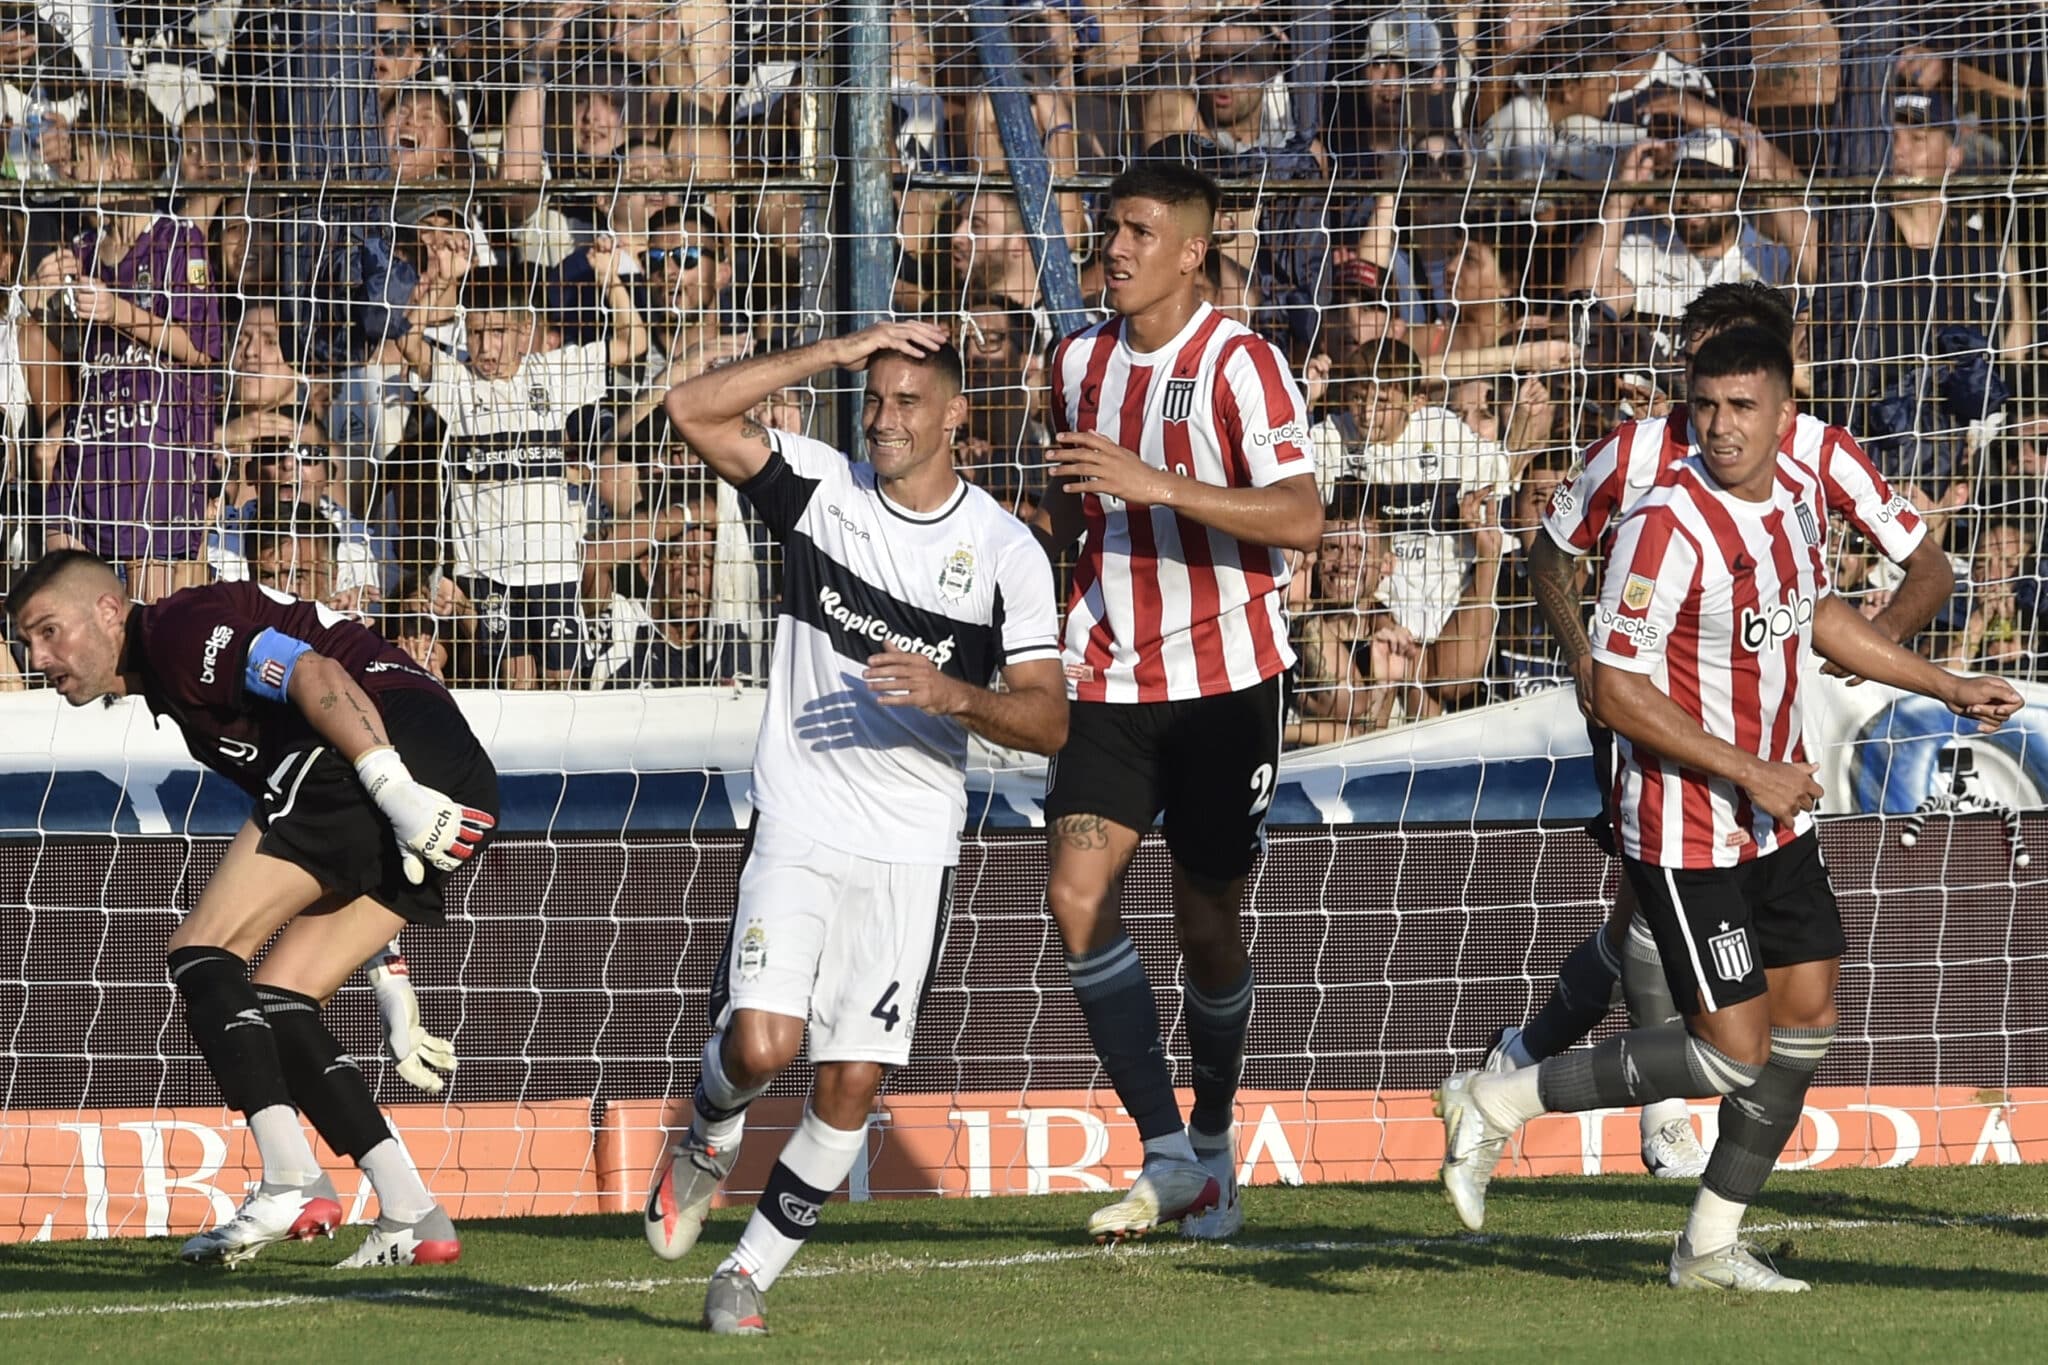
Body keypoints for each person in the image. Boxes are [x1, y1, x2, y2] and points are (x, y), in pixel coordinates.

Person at [1437, 328, 2023, 1292]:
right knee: (1731, 1055)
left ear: (1784, 414)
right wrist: (1751, 768)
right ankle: (1496, 1099)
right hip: (1687, 821)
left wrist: (1946, 685)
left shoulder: (1793, 497)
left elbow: (1818, 615)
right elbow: (1616, 689)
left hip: (1775, 811)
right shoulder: (1662, 525)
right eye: (1706, 406)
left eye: (1742, 407)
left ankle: (1708, 1244)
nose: (1720, 427)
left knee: (1808, 1024)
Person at [646, 321, 1067, 1335]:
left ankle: (745, 1275)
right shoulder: (818, 489)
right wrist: (836, 351)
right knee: (760, 1044)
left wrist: (951, 695)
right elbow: (690, 410)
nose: (882, 418)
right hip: (797, 815)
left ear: (957, 416)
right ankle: (707, 1130)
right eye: (872, 399)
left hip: (910, 848)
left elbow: (1049, 720)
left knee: (852, 1078)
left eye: (907, 401)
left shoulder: (1006, 552)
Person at [1488, 280, 1956, 1179]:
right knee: (1660, 906)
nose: (1714, 408)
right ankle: (1654, 1111)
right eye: (1700, 376)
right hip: (1651, 715)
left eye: (1738, 381)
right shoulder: (1635, 455)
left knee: (1661, 926)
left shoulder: (1822, 455)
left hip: (1768, 729)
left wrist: (1874, 651)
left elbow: (1925, 569)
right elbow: (1549, 555)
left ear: (1780, 385)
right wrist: (1589, 664)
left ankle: (1523, 1060)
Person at [3, 548, 498, 1267]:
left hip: (384, 741)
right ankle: (413, 1212)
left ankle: (292, 1178)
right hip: (446, 767)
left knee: (202, 951)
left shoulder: (177, 631)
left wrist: (396, 790)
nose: (38, 657)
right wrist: (389, 979)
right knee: (284, 998)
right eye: (25, 643)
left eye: (49, 631)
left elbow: (314, 673)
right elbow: (329, 851)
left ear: (108, 610)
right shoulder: (177, 687)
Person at [1030, 161, 1322, 1242]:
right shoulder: (1074, 361)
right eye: (1108, 226)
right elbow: (1067, 505)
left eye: (1138, 230)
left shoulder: (1242, 367)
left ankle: (1210, 1136)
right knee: (1074, 894)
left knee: (1207, 922)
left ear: (1192, 251)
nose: (1114, 246)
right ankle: (1161, 1153)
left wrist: (1159, 487)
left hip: (1224, 686)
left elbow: (1300, 519)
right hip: (1106, 677)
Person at [398, 250, 648, 688]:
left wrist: (611, 282)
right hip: (488, 574)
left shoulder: (554, 372)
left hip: (553, 568)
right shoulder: (458, 384)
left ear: (522, 329)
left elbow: (633, 344)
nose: (485, 347)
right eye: (476, 333)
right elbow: (408, 342)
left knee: (562, 684)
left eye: (497, 332)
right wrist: (434, 285)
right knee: (516, 686)